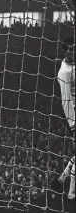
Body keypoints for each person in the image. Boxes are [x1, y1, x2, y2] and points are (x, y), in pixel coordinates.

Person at [56, 35, 75, 199]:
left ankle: (65, 174)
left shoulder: (73, 66)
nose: (73, 52)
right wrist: (73, 124)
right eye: (71, 49)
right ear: (64, 50)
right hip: (73, 117)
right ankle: (71, 192)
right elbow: (66, 101)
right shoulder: (65, 72)